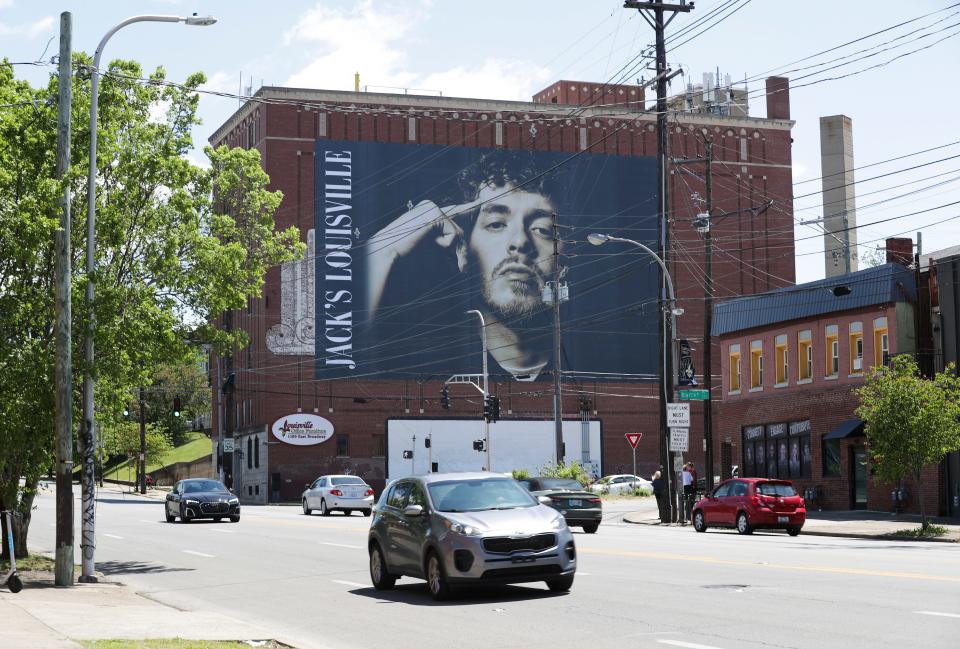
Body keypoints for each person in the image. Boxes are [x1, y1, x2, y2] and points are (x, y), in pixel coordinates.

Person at [366, 151, 562, 379]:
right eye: (497, 224)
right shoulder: (418, 360)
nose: (520, 242)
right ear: (462, 250)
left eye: (542, 229)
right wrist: (380, 254)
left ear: (568, 257)